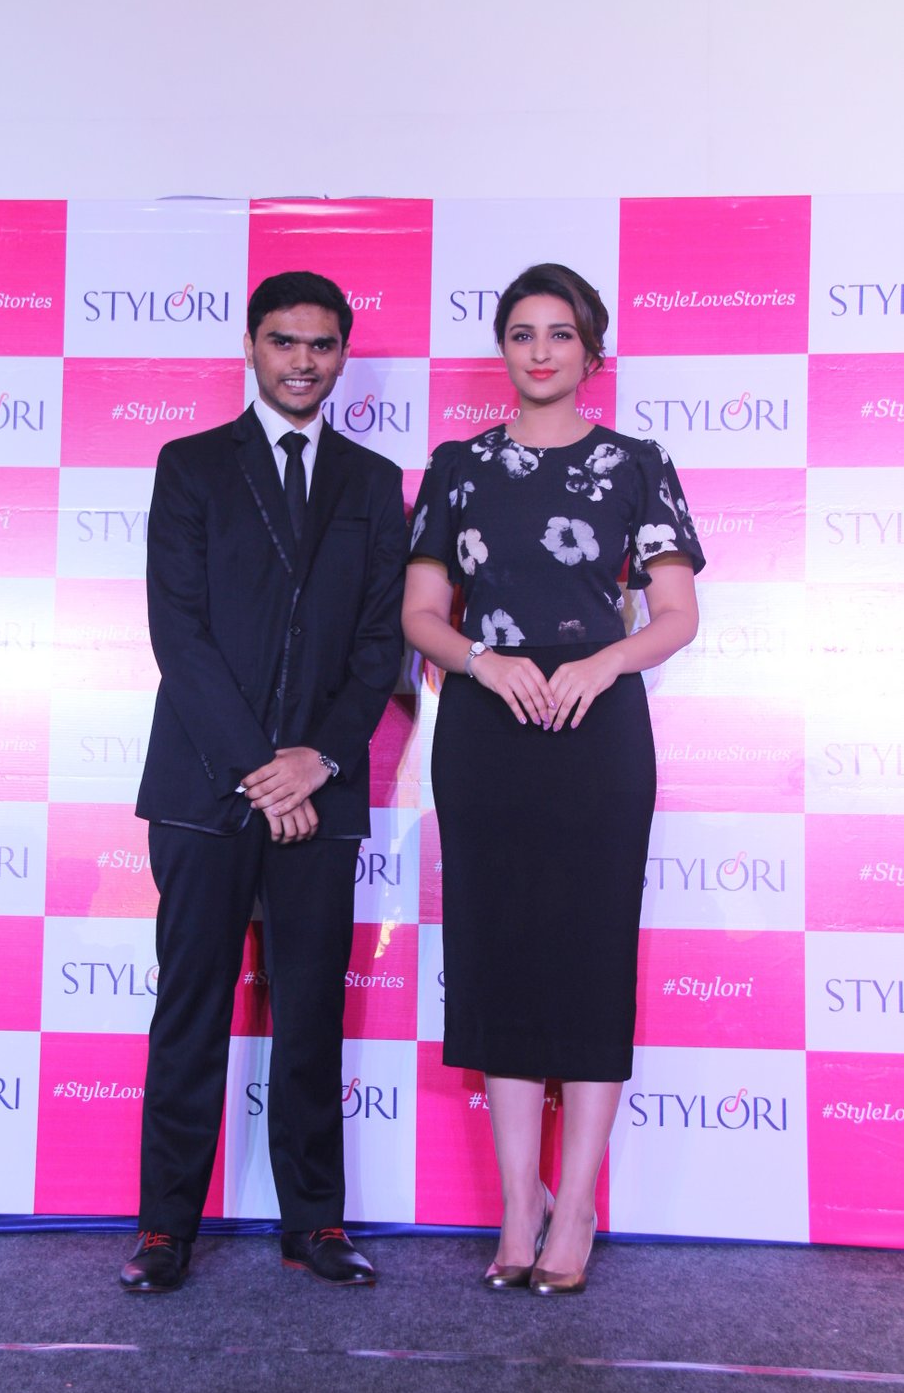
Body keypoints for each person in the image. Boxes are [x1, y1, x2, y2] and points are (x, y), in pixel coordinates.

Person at [402, 263, 704, 1294]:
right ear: (502, 349)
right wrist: (479, 662)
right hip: (484, 731)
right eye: (521, 333)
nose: (539, 351)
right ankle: (515, 1203)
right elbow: (419, 613)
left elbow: (675, 614)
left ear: (591, 352)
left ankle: (574, 1203)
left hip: (595, 729)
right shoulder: (458, 467)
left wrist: (601, 662)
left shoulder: (635, 465)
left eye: (559, 333)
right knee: (497, 952)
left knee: (587, 955)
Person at [121, 270, 407, 1293]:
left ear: (343, 355)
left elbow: (378, 646)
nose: (301, 362)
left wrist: (315, 761)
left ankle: (314, 1223)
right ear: (250, 346)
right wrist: (260, 769)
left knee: (312, 1013)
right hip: (204, 783)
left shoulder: (373, 482)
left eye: (321, 345)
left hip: (320, 787)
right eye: (283, 341)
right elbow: (178, 633)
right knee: (190, 1008)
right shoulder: (191, 464)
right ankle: (164, 1229)